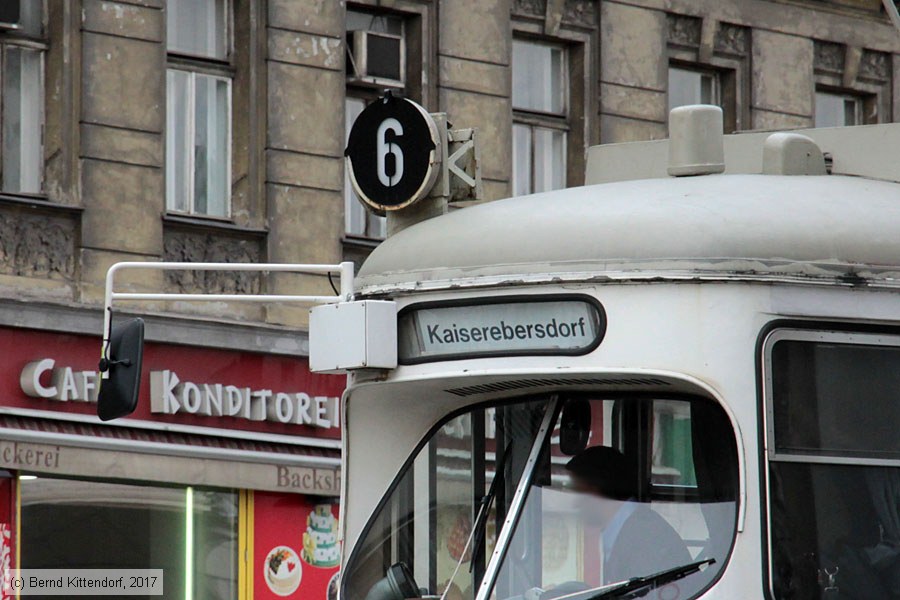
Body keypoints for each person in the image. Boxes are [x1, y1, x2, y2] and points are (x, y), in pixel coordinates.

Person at [565, 446, 692, 585]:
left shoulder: (645, 538)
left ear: (596, 491)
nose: (575, 504)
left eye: (578, 492)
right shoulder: (629, 528)